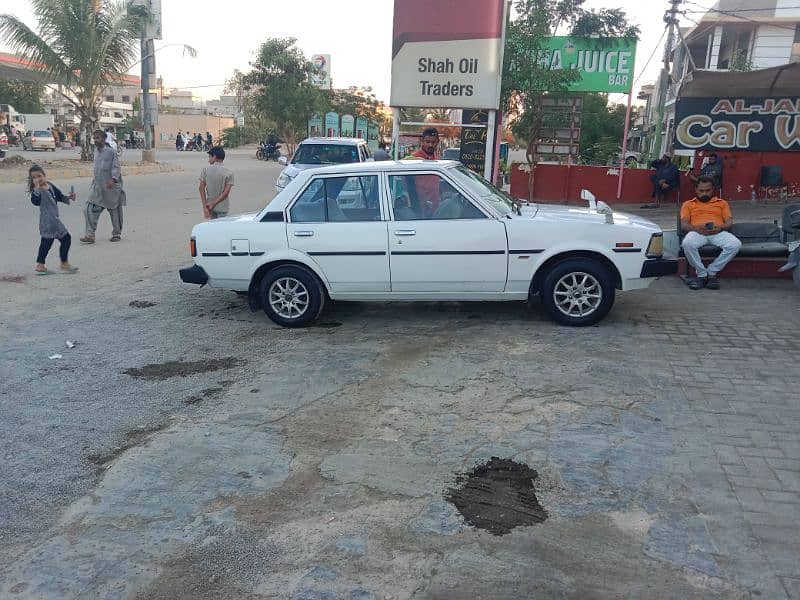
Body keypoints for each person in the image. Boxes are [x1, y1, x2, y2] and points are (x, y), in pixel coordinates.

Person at [681, 176, 742, 290]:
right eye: (701, 191)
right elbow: (684, 225)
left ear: (713, 189)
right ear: (696, 190)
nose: (704, 193)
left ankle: (712, 271)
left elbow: (729, 222)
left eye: (707, 190)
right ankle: (702, 274)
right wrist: (696, 229)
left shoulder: (722, 203)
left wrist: (720, 228)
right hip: (697, 232)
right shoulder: (688, 204)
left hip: (718, 232)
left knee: (735, 244)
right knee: (687, 243)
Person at [28, 165, 78, 275]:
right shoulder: (37, 191)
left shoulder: (49, 185)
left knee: (53, 240)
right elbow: (35, 202)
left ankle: (43, 265)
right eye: (34, 177)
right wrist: (36, 188)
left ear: (44, 175)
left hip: (54, 219)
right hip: (47, 221)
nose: (38, 179)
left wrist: (69, 197)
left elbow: (59, 196)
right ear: (32, 180)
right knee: (59, 239)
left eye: (39, 176)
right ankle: (61, 263)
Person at [81, 129, 125, 243]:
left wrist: (113, 179)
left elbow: (116, 167)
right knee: (88, 209)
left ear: (104, 139)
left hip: (111, 187)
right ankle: (90, 235)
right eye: (94, 138)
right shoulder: (95, 151)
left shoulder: (111, 152)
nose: (95, 140)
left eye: (98, 138)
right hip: (97, 186)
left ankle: (116, 234)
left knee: (114, 211)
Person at [409, 127, 441, 215]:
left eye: (433, 142)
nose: (430, 145)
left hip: (434, 204)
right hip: (420, 206)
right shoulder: (414, 159)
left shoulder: (436, 156)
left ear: (437, 142)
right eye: (427, 142)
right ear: (422, 141)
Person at [199, 146, 234, 219]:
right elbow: (226, 193)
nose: (208, 160)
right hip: (222, 207)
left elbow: (201, 188)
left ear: (214, 157)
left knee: (212, 228)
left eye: (209, 157)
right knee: (222, 228)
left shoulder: (205, 170)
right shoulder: (229, 172)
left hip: (209, 207)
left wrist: (205, 206)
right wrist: (214, 203)